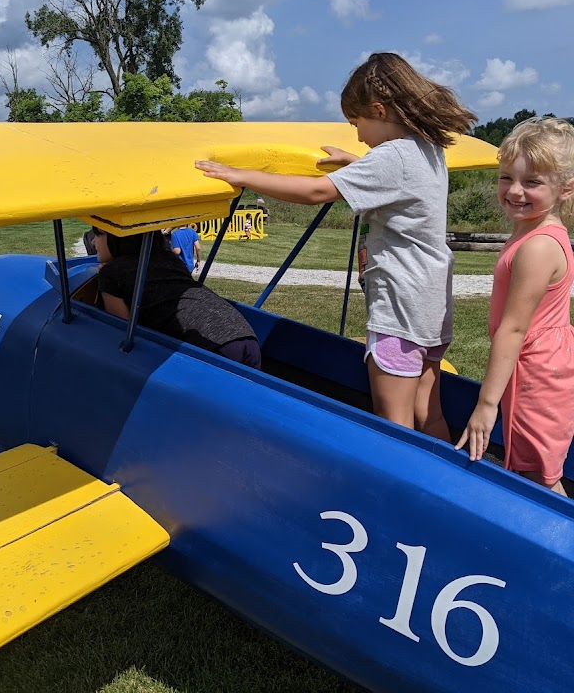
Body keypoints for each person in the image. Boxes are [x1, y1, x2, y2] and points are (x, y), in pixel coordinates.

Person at [196, 52, 477, 438]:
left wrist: (243, 175)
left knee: (394, 423)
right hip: (431, 308)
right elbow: (392, 172)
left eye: (356, 123)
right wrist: (357, 161)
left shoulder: (392, 158)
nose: (358, 135)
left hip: (399, 309)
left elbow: (315, 192)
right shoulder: (428, 147)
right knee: (428, 416)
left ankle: (397, 493)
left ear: (378, 110)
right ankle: (446, 488)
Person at [455, 117, 574, 495]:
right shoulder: (531, 233)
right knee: (533, 466)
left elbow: (513, 328)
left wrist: (486, 404)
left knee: (539, 475)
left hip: (536, 369)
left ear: (565, 189)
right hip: (541, 362)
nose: (515, 191)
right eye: (506, 177)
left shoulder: (538, 246)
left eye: (533, 182)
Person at [92, 227, 261, 369]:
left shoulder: (111, 273)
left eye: (98, 235)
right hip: (244, 334)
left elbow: (120, 327)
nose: (93, 242)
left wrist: (104, 280)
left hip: (210, 346)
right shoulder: (168, 258)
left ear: (119, 238)